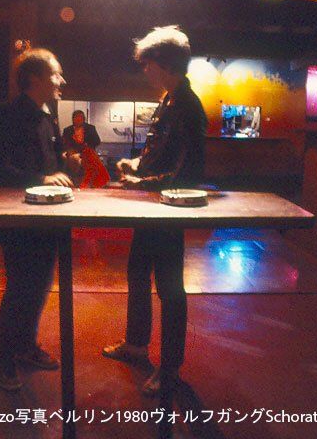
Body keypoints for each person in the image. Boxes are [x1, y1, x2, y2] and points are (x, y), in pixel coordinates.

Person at [101, 26, 207, 396]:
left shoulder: (188, 107)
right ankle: (135, 345)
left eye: (148, 64)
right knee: (137, 274)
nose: (145, 70)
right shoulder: (170, 101)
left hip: (167, 212)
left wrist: (139, 182)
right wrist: (136, 165)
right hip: (152, 209)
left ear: (165, 65)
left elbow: (187, 174)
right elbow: (162, 157)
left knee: (169, 288)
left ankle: (170, 369)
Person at [0, 48, 73, 391]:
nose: (61, 80)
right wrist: (41, 178)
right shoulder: (6, 116)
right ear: (35, 79)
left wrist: (67, 167)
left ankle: (25, 347)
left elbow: (51, 166)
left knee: (38, 288)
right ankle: (5, 363)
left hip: (45, 220)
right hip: (20, 223)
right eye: (55, 74)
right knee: (19, 290)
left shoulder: (46, 116)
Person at [61, 110, 109, 188]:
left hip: (87, 153)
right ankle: (72, 183)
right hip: (72, 154)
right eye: (76, 117)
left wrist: (87, 145)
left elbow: (97, 141)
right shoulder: (67, 130)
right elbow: (63, 143)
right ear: (73, 119)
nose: (78, 119)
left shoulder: (90, 128)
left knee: (92, 166)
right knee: (72, 162)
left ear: (84, 119)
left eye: (80, 117)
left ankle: (90, 184)